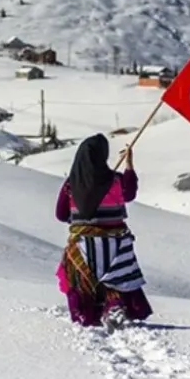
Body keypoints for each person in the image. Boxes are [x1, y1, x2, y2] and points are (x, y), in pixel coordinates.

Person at [54, 133, 153, 331]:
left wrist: (81, 217)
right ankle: (115, 306)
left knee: (78, 275)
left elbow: (60, 214)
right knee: (117, 276)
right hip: (116, 242)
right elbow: (130, 194)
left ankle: (87, 313)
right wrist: (129, 165)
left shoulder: (70, 185)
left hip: (84, 243)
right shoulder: (115, 180)